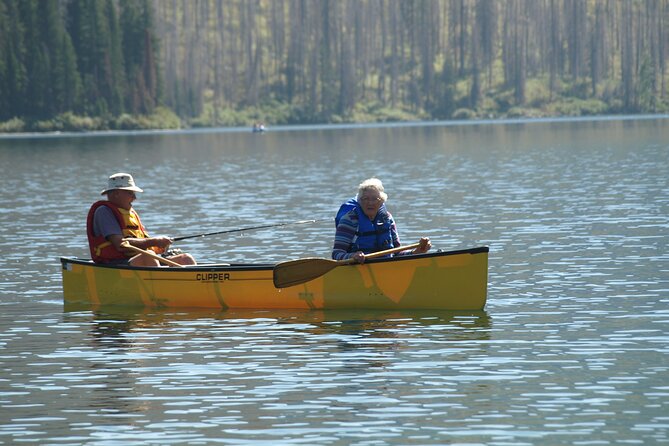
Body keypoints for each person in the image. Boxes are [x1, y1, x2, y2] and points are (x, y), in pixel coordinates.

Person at [87, 173, 196, 266]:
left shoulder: (130, 213)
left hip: (139, 261)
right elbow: (120, 245)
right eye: (130, 193)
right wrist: (155, 241)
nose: (134, 198)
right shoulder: (104, 212)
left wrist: (159, 246)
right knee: (149, 257)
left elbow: (144, 242)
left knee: (186, 258)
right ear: (116, 193)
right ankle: (159, 288)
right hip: (115, 264)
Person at [332, 178, 431, 263]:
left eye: (375, 199)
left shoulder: (387, 218)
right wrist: (352, 256)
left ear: (381, 202)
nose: (370, 203)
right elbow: (337, 254)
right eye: (366, 199)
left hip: (386, 268)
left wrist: (416, 252)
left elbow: (397, 253)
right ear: (360, 202)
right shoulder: (349, 220)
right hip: (357, 269)